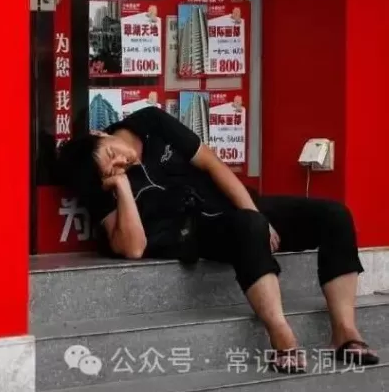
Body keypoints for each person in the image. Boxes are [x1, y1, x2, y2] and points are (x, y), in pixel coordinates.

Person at [55, 106, 378, 374]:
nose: (121, 162)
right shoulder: (100, 185)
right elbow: (134, 248)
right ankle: (282, 336)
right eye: (112, 169)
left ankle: (345, 332)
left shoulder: (150, 121)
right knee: (248, 226)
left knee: (333, 215)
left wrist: (257, 214)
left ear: (100, 134)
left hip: (235, 203)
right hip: (199, 231)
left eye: (113, 153)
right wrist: (122, 186)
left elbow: (211, 163)